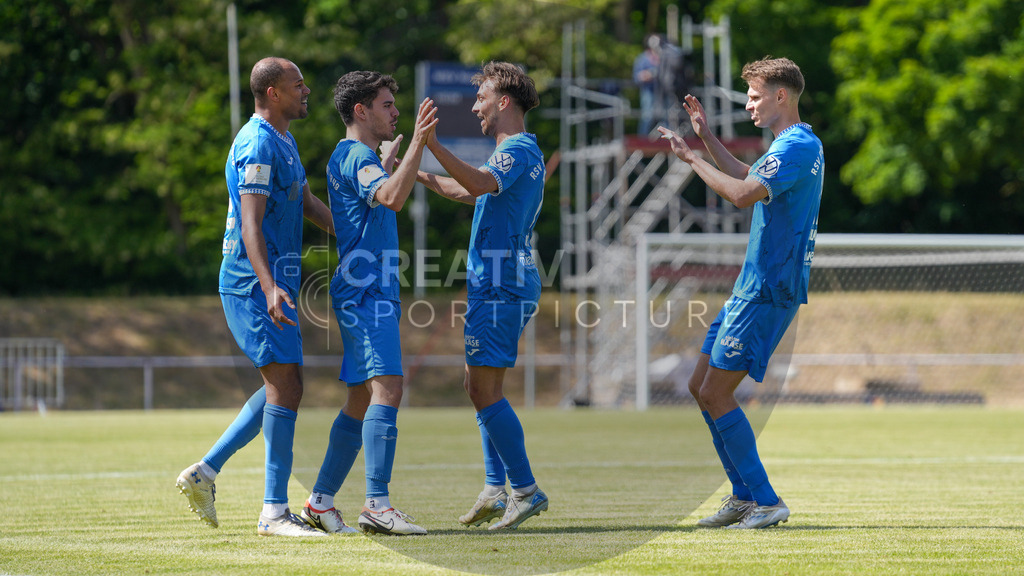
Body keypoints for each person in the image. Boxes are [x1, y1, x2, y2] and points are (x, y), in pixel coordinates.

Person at [657, 57, 824, 529]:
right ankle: (743, 497)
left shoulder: (795, 145)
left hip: (769, 288)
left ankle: (766, 500)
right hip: (752, 287)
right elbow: (750, 175)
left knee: (715, 391)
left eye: (754, 95)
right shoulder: (792, 145)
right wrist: (705, 138)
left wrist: (690, 158)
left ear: (781, 96)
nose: (748, 103)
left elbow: (742, 193)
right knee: (699, 386)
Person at [175, 57, 335, 537]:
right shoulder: (259, 142)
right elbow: (249, 224)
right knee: (286, 386)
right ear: (271, 93)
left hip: (272, 282)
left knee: (285, 386)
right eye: (297, 84)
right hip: (252, 284)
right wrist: (268, 287)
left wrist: (352, 232)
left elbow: (305, 203)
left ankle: (205, 473)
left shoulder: (284, 139)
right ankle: (273, 512)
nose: (306, 91)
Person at [416, 61, 549, 530]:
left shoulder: (515, 150)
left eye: (482, 98)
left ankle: (525, 490)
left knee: (483, 389)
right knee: (478, 385)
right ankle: (496, 489)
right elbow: (467, 191)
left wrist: (430, 146)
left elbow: (476, 183)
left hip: (501, 282)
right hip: (501, 280)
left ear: (504, 101)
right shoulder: (512, 155)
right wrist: (418, 172)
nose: (475, 107)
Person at [322, 70, 437, 536]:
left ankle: (319, 501)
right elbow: (389, 197)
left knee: (358, 401)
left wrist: (392, 161)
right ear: (361, 111)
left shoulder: (358, 157)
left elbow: (378, 194)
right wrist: (418, 145)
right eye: (388, 105)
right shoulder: (355, 155)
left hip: (363, 289)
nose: (395, 112)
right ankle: (377, 503)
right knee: (388, 389)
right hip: (366, 291)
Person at [633, 34, 662, 136]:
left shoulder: (663, 58)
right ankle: (643, 140)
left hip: (662, 93)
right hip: (648, 92)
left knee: (664, 117)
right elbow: (636, 78)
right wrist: (647, 75)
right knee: (647, 117)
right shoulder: (642, 59)